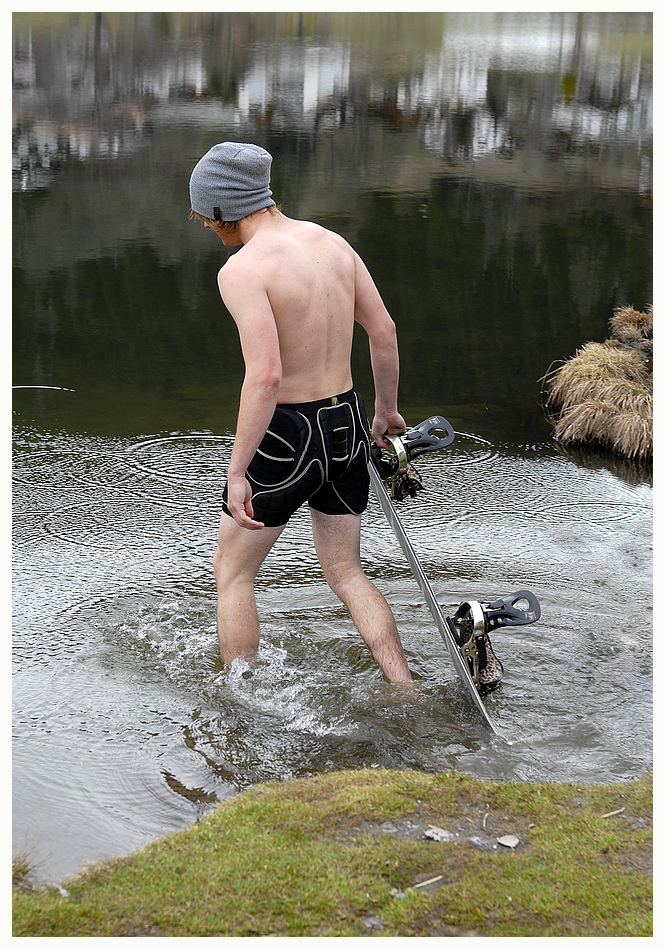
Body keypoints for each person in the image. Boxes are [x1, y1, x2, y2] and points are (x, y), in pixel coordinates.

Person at [189, 141, 412, 685]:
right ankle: (404, 686)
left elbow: (265, 377)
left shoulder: (243, 270)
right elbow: (383, 332)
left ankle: (241, 703)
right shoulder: (332, 243)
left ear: (223, 209)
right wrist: (385, 413)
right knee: (345, 572)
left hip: (288, 434)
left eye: (204, 216)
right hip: (345, 423)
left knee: (234, 576)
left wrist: (238, 471)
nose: (205, 228)